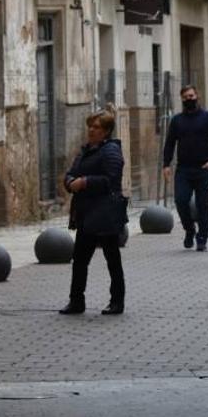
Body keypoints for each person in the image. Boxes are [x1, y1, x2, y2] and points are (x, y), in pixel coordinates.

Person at [60, 111, 127, 316]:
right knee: (80, 260)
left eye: (96, 127)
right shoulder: (86, 150)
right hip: (86, 214)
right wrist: (70, 182)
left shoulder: (111, 151)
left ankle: (117, 302)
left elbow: (111, 180)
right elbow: (72, 172)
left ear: (106, 131)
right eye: (90, 126)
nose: (91, 130)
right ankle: (76, 301)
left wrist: (86, 182)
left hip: (105, 214)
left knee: (112, 259)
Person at [162, 84, 208, 252]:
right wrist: (166, 164)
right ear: (182, 99)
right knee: (181, 200)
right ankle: (189, 230)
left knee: (203, 204)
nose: (189, 99)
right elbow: (170, 143)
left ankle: (202, 237)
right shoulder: (177, 120)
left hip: (204, 169)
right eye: (186, 97)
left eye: (191, 96)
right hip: (184, 169)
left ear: (197, 96)